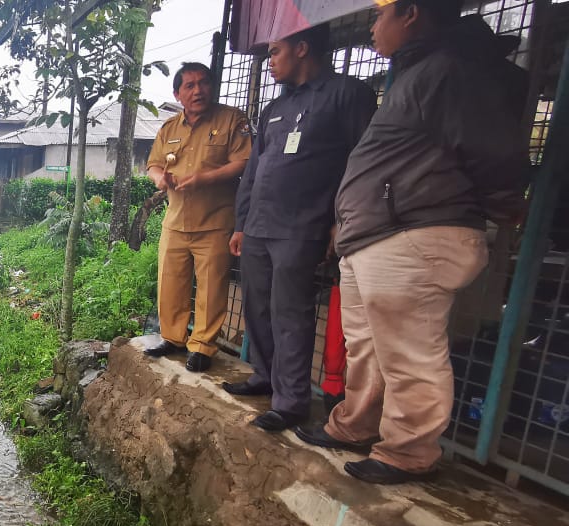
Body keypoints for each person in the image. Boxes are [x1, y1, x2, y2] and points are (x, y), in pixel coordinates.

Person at [294, 0, 529, 484]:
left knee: (409, 351)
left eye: (379, 16)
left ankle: (407, 452)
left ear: (411, 14)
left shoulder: (450, 71)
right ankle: (355, 424)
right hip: (376, 235)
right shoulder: (417, 74)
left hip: (412, 232)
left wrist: (505, 203)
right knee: (366, 346)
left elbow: (491, 150)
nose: (372, 28)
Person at [223, 24, 378, 432]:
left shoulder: (347, 95)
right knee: (257, 307)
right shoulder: (275, 107)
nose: (270, 61)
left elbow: (362, 163)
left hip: (304, 224)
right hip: (259, 225)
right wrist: (241, 223)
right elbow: (253, 172)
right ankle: (263, 375)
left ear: (302, 48)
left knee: (289, 311)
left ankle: (290, 401)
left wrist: (339, 221)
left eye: (275, 52)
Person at [143, 62, 253, 372]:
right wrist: (159, 179)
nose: (198, 90)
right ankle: (173, 338)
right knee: (171, 282)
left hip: (215, 221)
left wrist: (205, 178)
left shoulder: (232, 120)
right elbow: (153, 164)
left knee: (211, 286)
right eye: (189, 85)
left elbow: (244, 162)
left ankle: (203, 346)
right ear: (177, 93)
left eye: (203, 83)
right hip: (176, 220)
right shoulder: (169, 129)